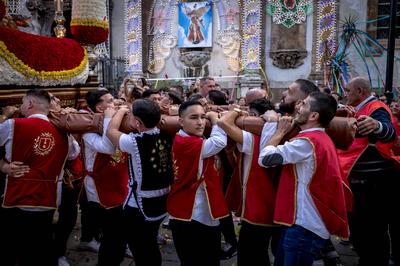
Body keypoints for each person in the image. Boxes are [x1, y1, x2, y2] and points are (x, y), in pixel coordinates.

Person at [259, 92, 349, 266]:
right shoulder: (320, 138)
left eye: (304, 105)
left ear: (314, 115)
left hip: (304, 226)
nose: (298, 107)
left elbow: (265, 159)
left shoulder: (307, 142)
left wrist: (279, 131)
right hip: (302, 223)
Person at [0, 89, 79, 266]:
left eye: (22, 102)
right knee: (43, 243)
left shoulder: (13, 125)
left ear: (29, 104)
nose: (21, 106)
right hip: (49, 199)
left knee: (16, 247)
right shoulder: (63, 132)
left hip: (17, 196)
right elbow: (74, 154)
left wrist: (3, 166)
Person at [337, 77, 399, 266]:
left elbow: (389, 132)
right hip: (361, 182)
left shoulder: (376, 108)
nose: (344, 94)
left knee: (372, 231)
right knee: (361, 230)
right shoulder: (354, 109)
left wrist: (377, 126)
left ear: (361, 91)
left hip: (374, 183)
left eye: (347, 91)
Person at [106, 99, 173, 266]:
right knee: (150, 243)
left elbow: (111, 131)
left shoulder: (134, 141)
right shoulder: (167, 134)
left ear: (137, 122)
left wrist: (118, 112)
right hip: (162, 200)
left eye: (131, 114)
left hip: (139, 206)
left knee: (141, 247)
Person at [218, 98, 280, 266]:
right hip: (263, 205)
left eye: (250, 114)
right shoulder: (273, 134)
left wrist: (236, 111)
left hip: (259, 208)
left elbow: (223, 122)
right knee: (257, 252)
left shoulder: (254, 138)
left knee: (252, 254)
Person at [167, 100, 228, 266]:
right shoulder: (186, 142)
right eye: (194, 117)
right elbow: (219, 142)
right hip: (191, 213)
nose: (200, 122)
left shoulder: (188, 137)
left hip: (200, 209)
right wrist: (215, 119)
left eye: (202, 117)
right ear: (180, 121)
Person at [82, 89, 129, 266]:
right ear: (99, 107)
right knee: (112, 235)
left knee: (120, 233)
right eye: (109, 101)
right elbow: (108, 147)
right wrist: (110, 117)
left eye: (114, 99)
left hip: (119, 183)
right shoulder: (87, 128)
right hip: (101, 187)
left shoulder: (118, 121)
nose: (115, 103)